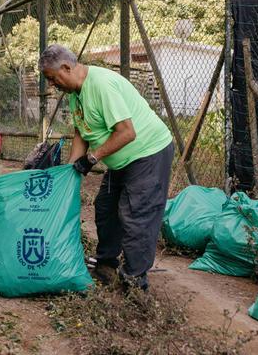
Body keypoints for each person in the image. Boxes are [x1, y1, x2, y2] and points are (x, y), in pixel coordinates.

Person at [39, 44, 174, 291]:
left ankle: (134, 283)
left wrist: (92, 159)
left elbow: (127, 133)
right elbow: (82, 131)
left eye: (52, 78)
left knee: (136, 216)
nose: (51, 85)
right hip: (120, 158)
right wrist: (71, 170)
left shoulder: (100, 85)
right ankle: (106, 265)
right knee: (106, 207)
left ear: (67, 67)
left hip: (148, 153)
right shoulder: (74, 93)